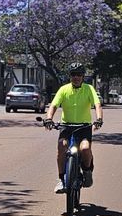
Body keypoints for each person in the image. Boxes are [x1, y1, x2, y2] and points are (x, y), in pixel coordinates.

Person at [43, 63, 103, 194]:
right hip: (66, 126)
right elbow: (53, 105)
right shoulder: (63, 89)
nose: (76, 77)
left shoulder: (89, 89)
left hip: (84, 127)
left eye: (79, 75)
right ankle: (62, 179)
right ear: (70, 76)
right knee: (61, 146)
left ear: (83, 76)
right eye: (73, 75)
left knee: (85, 148)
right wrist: (49, 119)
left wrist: (99, 119)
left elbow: (97, 105)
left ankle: (87, 171)